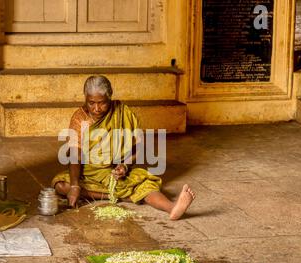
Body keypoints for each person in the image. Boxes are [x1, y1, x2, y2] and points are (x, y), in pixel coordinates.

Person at [51, 75, 195, 220]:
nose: (96, 108)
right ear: (85, 99)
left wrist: (124, 166)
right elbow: (75, 154)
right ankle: (121, 196)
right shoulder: (79, 118)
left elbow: (137, 148)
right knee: (61, 185)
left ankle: (172, 208)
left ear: (110, 97)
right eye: (91, 103)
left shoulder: (123, 113)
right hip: (88, 172)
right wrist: (75, 186)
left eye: (102, 103)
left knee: (144, 184)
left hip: (113, 172)